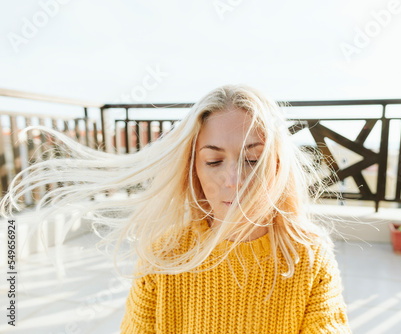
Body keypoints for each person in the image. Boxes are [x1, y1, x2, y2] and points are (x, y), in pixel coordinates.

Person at [0, 84, 352, 333]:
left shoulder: (308, 256)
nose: (234, 180)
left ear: (277, 165)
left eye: (252, 159)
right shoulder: (163, 256)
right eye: (214, 161)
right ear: (193, 170)